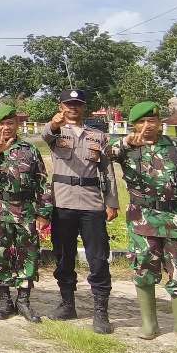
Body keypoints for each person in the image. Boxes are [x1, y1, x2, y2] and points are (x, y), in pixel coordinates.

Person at [110, 102, 177, 348]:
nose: (147, 126)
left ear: (159, 122)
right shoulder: (127, 148)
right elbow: (102, 157)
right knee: (143, 267)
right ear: (133, 125)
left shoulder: (175, 148)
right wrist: (127, 143)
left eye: (151, 121)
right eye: (141, 122)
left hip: (176, 218)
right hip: (142, 217)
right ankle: (149, 324)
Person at [42, 88, 118, 333]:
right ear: (61, 105)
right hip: (62, 202)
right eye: (68, 103)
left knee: (98, 258)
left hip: (91, 203)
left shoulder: (98, 136)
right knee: (64, 256)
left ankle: (100, 311)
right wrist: (54, 123)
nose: (72, 108)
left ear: (83, 106)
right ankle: (67, 304)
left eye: (77, 104)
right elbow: (46, 134)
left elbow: (107, 170)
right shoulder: (56, 132)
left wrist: (112, 201)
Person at [0, 105, 51, 323]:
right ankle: (4, 300)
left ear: (17, 124)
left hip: (26, 210)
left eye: (10, 123)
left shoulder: (29, 149)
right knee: (0, 255)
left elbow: (42, 182)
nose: (6, 128)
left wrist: (43, 213)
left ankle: (24, 301)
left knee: (28, 254)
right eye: (1, 124)